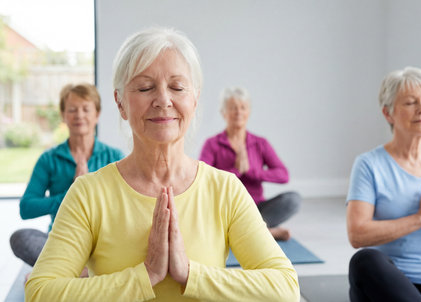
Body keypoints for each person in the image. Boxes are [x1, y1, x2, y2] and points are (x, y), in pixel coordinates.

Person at [25, 28, 300, 302]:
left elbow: (285, 288)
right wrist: (144, 276)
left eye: (177, 87)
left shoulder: (225, 189)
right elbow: (40, 292)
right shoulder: (88, 194)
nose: (163, 100)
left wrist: (190, 274)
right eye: (145, 88)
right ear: (120, 103)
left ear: (194, 99)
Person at [346, 67, 421, 302]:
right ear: (388, 113)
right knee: (364, 261)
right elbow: (357, 234)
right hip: (389, 285)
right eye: (411, 102)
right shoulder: (369, 164)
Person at [10, 83, 124, 269]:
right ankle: (81, 272)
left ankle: (64, 273)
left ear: (97, 114)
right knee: (20, 238)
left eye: (86, 109)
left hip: (103, 242)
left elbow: (123, 204)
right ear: (63, 115)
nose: (79, 115)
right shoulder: (49, 159)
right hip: (61, 242)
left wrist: (88, 192)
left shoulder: (114, 157)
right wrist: (71, 193)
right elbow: (26, 208)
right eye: (72, 110)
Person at [200, 87, 301, 240]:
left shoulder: (260, 143)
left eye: (243, 107)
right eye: (233, 108)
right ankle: (264, 233)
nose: (238, 112)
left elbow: (283, 175)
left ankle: (243, 231)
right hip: (226, 208)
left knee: (293, 199)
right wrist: (235, 171)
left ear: (249, 112)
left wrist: (253, 172)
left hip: (256, 209)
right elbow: (203, 179)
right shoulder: (212, 144)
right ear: (224, 113)